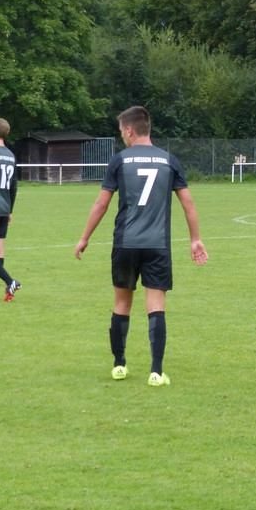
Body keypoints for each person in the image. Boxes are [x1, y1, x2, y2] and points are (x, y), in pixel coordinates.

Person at [74, 106, 208, 386]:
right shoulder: (169, 161)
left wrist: (85, 237)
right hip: (157, 245)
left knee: (121, 303)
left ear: (130, 130)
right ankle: (156, 371)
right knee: (156, 305)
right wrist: (195, 239)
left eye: (121, 131)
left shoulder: (120, 161)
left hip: (126, 243)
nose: (122, 136)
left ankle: (119, 365)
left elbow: (102, 203)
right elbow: (188, 203)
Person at [0, 118, 21, 302]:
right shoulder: (11, 156)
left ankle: (10, 281)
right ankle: (9, 285)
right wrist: (10, 210)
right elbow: (14, 187)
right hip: (4, 207)